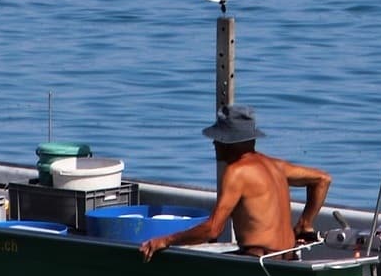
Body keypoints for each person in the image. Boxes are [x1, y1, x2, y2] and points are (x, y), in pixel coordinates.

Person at [141, 105, 330, 261]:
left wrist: (165, 240)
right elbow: (322, 179)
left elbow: (212, 230)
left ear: (229, 142)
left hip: (260, 262)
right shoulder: (277, 166)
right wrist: (305, 223)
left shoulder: (236, 172)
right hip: (289, 259)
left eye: (217, 138)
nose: (214, 144)